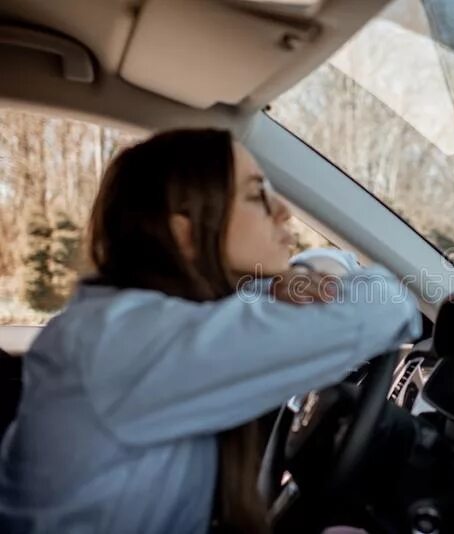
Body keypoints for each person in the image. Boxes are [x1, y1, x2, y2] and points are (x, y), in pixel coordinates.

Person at [0, 129, 421, 533]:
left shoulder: (157, 318)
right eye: (257, 195)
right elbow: (386, 306)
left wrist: (307, 272)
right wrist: (307, 279)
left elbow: (335, 270)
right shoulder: (126, 342)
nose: (283, 211)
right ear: (183, 232)